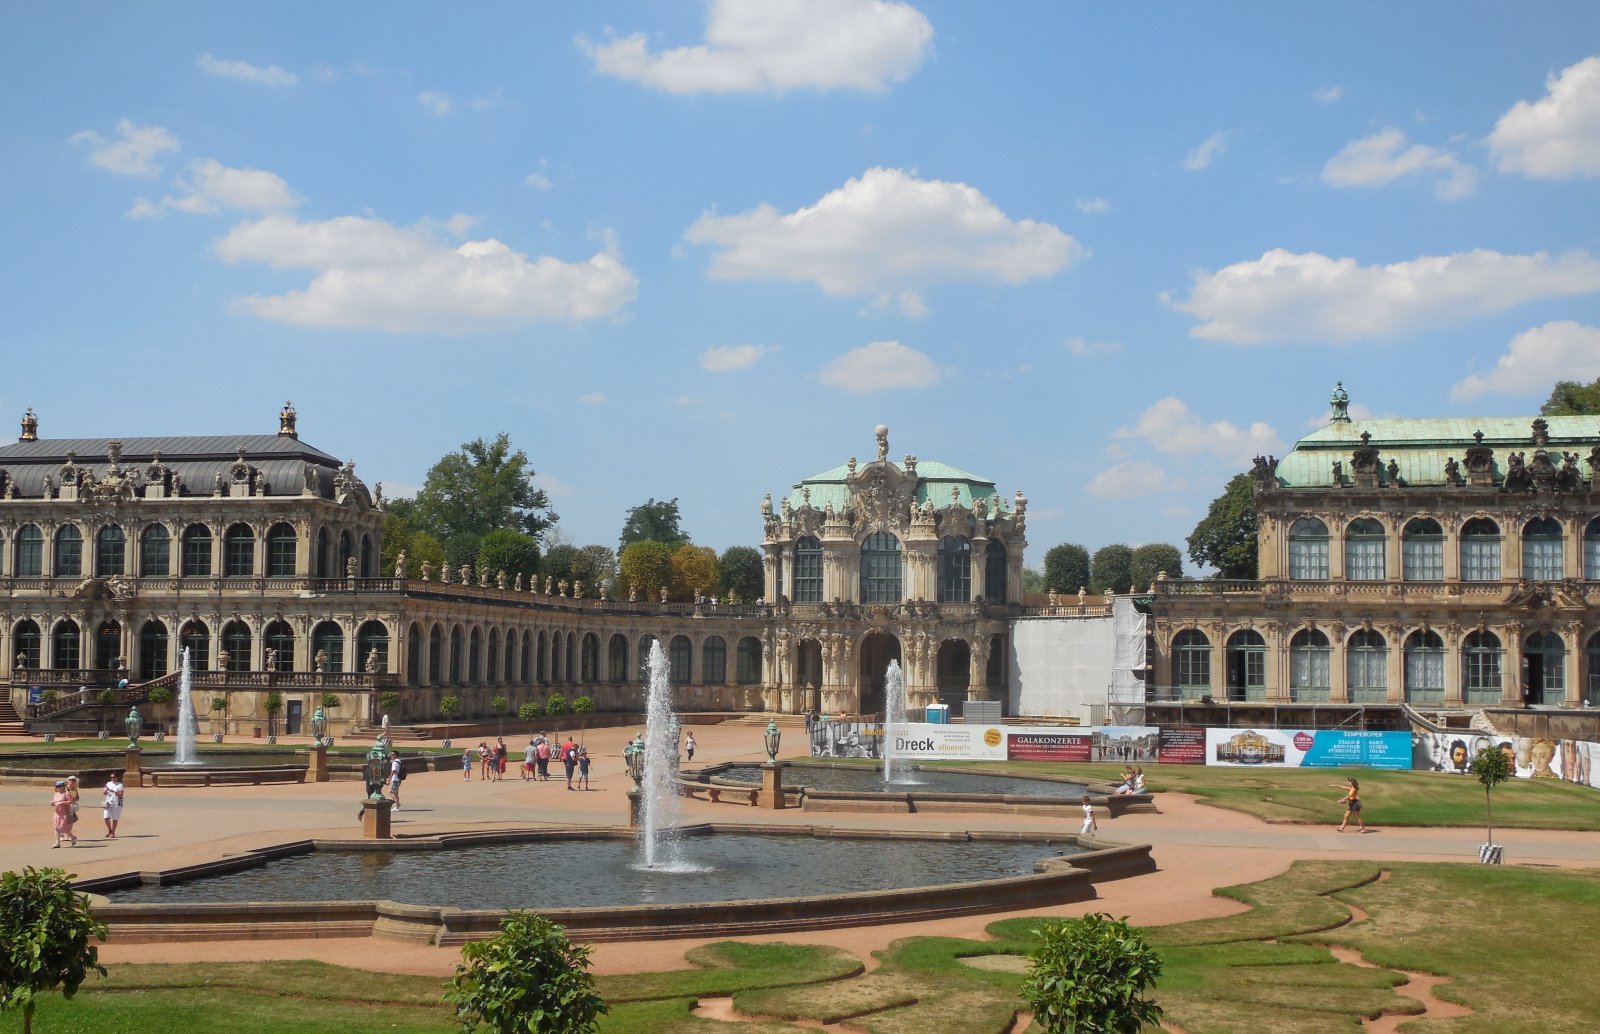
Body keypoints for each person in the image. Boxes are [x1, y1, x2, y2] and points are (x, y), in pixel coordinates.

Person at [51, 780, 77, 848]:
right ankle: (57, 843)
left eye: (60, 786)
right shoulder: (56, 794)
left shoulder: (66, 793)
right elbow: (55, 802)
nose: (58, 788)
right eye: (57, 786)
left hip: (64, 813)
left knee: (64, 828)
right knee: (56, 828)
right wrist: (53, 804)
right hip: (57, 813)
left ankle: (72, 837)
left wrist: (62, 803)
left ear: (63, 787)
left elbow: (70, 801)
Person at [103, 773, 125, 838]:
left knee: (115, 818)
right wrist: (106, 791)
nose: (112, 778)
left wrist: (113, 791)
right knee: (106, 817)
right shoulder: (108, 783)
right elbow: (104, 793)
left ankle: (113, 832)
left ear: (117, 778)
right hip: (108, 802)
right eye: (111, 777)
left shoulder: (120, 785)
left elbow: (121, 795)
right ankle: (109, 830)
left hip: (116, 803)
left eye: (114, 777)